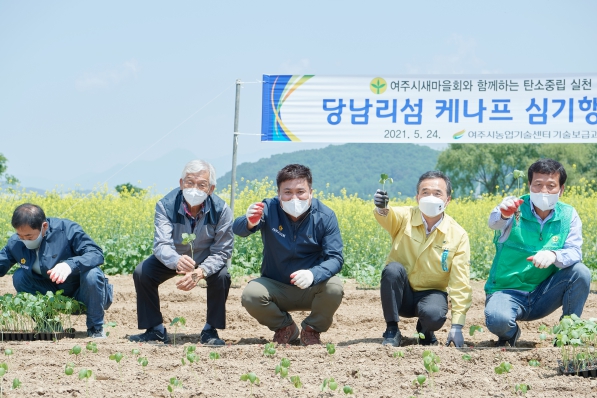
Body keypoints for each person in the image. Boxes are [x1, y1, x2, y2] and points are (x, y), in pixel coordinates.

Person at [233, 164, 344, 346]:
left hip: (311, 287)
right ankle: (285, 327)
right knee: (251, 294)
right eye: (287, 192)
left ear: (311, 192)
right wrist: (249, 222)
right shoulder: (269, 208)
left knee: (334, 287)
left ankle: (311, 330)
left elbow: (336, 258)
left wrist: (313, 274)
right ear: (278, 194)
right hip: (276, 286)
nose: (294, 198)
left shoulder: (325, 216)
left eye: (300, 191)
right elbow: (238, 229)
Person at [484, 158, 590, 347]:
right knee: (498, 320)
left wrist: (554, 255)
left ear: (561, 189)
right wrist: (503, 213)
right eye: (538, 184)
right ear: (529, 186)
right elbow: (494, 222)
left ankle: (567, 335)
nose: (544, 191)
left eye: (551, 186)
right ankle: (510, 333)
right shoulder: (515, 207)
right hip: (507, 291)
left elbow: (575, 252)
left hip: (544, 293)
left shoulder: (568, 215)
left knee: (581, 272)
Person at [129, 160, 233, 345]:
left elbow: (222, 251)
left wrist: (201, 272)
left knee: (222, 276)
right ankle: (155, 330)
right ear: (181, 183)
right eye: (189, 182)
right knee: (142, 273)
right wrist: (176, 260)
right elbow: (161, 244)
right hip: (174, 257)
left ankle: (210, 330)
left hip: (205, 259)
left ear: (211, 189)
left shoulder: (222, 210)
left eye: (202, 185)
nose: (194, 189)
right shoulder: (165, 205)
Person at [374, 171, 472, 347]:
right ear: (417, 197)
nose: (431, 197)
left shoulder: (458, 235)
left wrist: (457, 326)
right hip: (402, 294)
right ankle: (392, 329)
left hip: (431, 293)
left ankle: (425, 330)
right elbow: (388, 215)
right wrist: (382, 207)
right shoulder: (406, 217)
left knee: (434, 316)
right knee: (392, 270)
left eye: (437, 193)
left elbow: (460, 282)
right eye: (425, 193)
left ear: (447, 200)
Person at [0, 203, 113, 338]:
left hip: (83, 293)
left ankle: (96, 329)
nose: (24, 240)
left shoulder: (67, 229)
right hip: (51, 294)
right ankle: (48, 324)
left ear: (44, 226)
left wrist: (70, 264)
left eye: (29, 237)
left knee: (93, 273)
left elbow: (96, 254)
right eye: (20, 235)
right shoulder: (16, 243)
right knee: (19, 276)